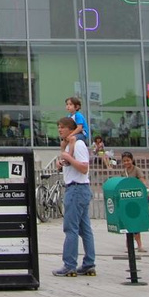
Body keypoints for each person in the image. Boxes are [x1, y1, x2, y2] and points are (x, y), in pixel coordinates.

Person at [51, 115, 95, 277]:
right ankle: (89, 263)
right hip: (79, 188)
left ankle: (69, 264)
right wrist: (61, 163)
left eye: (62, 127)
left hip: (76, 188)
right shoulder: (70, 145)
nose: (59, 130)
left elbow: (84, 168)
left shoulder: (79, 144)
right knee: (85, 228)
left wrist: (68, 157)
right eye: (58, 127)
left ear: (71, 129)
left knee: (71, 228)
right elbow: (69, 163)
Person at [119, 152, 148, 253]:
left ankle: (140, 245)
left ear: (132, 160)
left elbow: (142, 181)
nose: (126, 162)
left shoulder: (137, 170)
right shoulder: (123, 172)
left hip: (136, 200)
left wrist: (144, 189)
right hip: (126, 200)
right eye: (124, 161)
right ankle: (128, 246)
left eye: (128, 160)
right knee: (127, 224)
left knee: (136, 223)